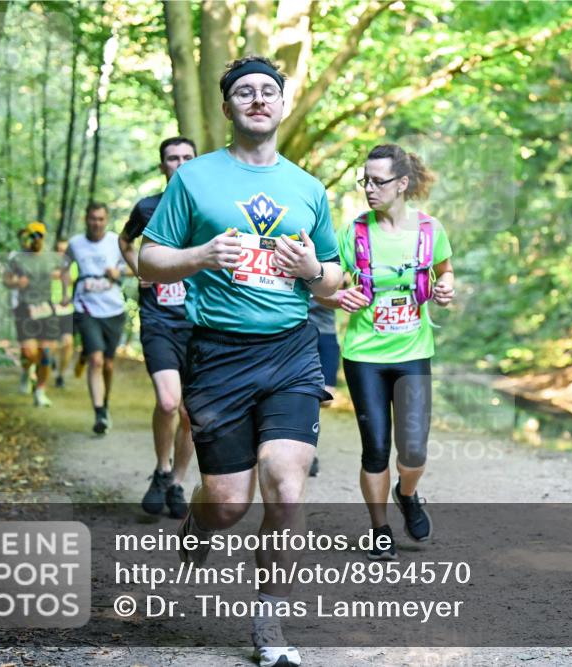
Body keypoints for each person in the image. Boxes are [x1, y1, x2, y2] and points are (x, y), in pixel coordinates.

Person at [138, 55, 341, 667]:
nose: (258, 99)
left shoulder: (308, 188)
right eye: (245, 93)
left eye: (268, 91)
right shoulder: (195, 180)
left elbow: (333, 278)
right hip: (217, 356)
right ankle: (200, 525)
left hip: (289, 352)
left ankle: (270, 621)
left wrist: (313, 273)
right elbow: (150, 261)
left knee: (286, 484)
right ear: (228, 108)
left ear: (282, 104)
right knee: (228, 504)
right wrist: (200, 255)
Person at [320, 144, 454, 561]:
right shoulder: (353, 233)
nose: (369, 189)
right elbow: (324, 289)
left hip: (413, 351)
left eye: (378, 182)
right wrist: (339, 296)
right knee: (375, 447)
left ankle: (407, 494)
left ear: (402, 184)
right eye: (365, 181)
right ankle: (380, 529)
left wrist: (447, 288)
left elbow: (445, 273)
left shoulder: (431, 230)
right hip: (364, 356)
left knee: (413, 450)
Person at [119, 136, 198, 519]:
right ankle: (162, 470)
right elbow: (124, 239)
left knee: (190, 413)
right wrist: (140, 269)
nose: (180, 163)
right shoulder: (147, 207)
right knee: (168, 401)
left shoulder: (209, 208)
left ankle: (178, 481)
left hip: (201, 322)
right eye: (172, 158)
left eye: (187, 157)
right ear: (162, 165)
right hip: (159, 320)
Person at [62, 202, 128, 435]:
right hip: (85, 307)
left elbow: (137, 265)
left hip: (114, 310)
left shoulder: (116, 241)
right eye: (92, 219)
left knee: (108, 365)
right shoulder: (75, 244)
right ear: (86, 219)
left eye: (101, 219)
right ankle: (99, 412)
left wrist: (119, 272)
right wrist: (63, 294)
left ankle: (105, 403)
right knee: (97, 361)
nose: (96, 223)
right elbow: (63, 267)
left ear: (106, 220)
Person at [3, 222, 67, 407]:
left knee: (46, 352)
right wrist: (16, 282)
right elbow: (6, 280)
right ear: (27, 237)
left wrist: (64, 294)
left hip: (46, 308)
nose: (36, 239)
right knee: (29, 353)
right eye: (33, 236)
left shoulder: (52, 258)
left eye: (39, 235)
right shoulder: (18, 258)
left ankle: (40, 391)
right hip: (25, 308)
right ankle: (26, 371)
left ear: (44, 237)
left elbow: (64, 274)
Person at [305, 297, 339, 477]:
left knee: (326, 398)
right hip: (296, 332)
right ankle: (309, 451)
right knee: (300, 394)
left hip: (325, 332)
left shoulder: (336, 267)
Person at [51, 238, 76, 389]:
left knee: (68, 343)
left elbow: (75, 279)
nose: (62, 254)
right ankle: (50, 362)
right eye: (59, 250)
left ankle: (60, 375)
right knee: (52, 345)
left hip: (68, 310)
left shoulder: (73, 267)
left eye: (64, 251)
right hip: (50, 309)